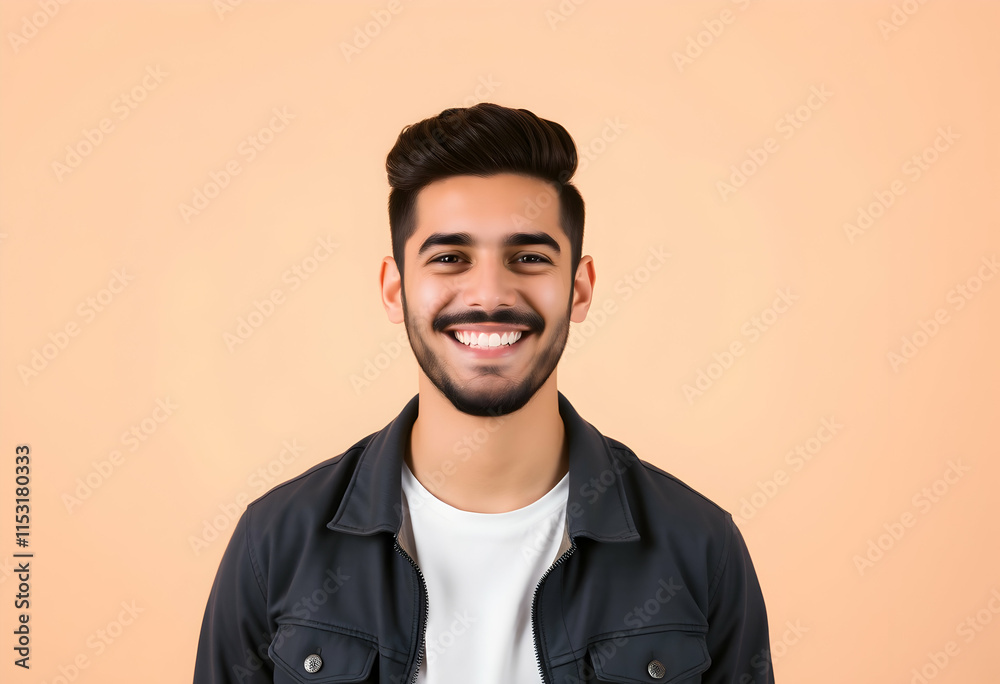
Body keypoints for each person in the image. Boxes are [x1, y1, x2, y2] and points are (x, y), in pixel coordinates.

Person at [193, 102, 774, 684]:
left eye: (528, 258)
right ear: (396, 290)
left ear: (579, 289)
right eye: (449, 258)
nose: (490, 293)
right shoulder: (276, 543)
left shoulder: (699, 546)